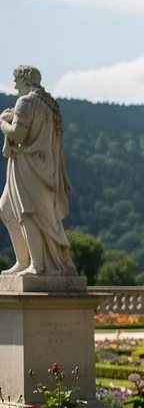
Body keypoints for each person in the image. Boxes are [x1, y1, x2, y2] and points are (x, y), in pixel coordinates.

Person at [0, 65, 76, 276]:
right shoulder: (49, 106)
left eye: (16, 80)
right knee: (7, 209)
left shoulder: (25, 102)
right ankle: (23, 261)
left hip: (29, 166)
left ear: (25, 79)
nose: (15, 85)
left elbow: (17, 134)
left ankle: (37, 265)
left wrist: (2, 122)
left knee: (27, 212)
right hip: (41, 166)